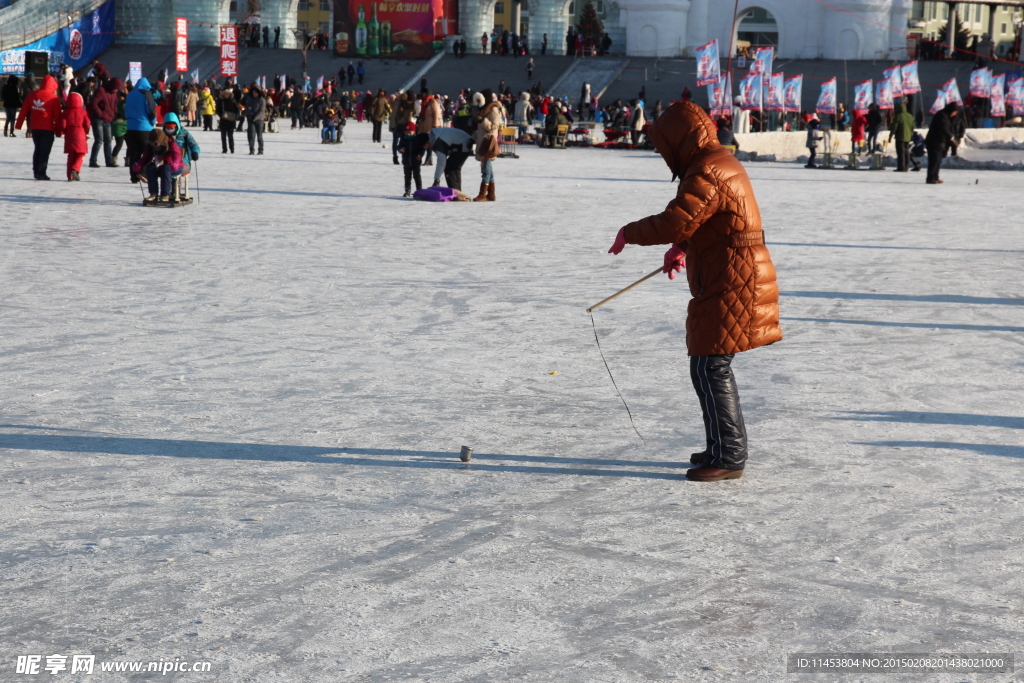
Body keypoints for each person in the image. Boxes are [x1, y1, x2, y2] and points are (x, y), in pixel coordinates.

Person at [607, 102, 782, 482]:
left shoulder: (709, 169)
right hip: (728, 271)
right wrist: (683, 249)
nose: (660, 152)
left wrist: (630, 232)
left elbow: (677, 220)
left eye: (662, 144)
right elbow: (711, 219)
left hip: (734, 276)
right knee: (708, 364)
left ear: (680, 140)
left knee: (710, 364)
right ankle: (720, 444)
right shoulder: (716, 163)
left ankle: (730, 454)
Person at [15, 74, 63, 180]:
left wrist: (18, 125)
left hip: (35, 128)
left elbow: (24, 111)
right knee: (44, 151)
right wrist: (59, 132)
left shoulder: (32, 95)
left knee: (37, 149)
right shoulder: (54, 98)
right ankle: (41, 172)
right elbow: (58, 117)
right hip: (48, 128)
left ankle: (36, 171)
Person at [131, 128, 184, 204]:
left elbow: (177, 155)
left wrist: (175, 163)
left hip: (175, 167)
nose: (156, 147)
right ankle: (153, 194)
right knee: (150, 167)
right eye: (153, 144)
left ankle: (165, 194)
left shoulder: (170, 142)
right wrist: (139, 164)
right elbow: (146, 157)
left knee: (165, 168)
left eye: (157, 144)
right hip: (159, 165)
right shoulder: (150, 145)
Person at [123, 76, 156, 183]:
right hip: (144, 126)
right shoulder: (146, 93)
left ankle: (134, 176)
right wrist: (152, 122)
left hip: (131, 127)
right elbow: (151, 110)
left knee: (134, 153)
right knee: (148, 152)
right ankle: (144, 172)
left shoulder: (130, 94)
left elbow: (126, 110)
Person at [473, 89, 502, 201]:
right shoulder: (484, 110)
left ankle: (482, 194)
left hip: (489, 144)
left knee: (486, 169)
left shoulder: (493, 110)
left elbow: (494, 126)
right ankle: (491, 194)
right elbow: (480, 130)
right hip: (483, 142)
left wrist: (482, 120)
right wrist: (473, 138)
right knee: (489, 169)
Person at [428, 126, 474, 190]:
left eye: (426, 146)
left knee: (450, 168)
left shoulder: (438, 141)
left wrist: (437, 180)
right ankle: (457, 191)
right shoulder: (436, 135)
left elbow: (441, 162)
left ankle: (456, 192)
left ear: (427, 141)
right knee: (453, 168)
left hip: (464, 145)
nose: (427, 148)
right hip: (465, 143)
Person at [87, 77, 119, 168]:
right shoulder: (101, 90)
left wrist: (114, 113)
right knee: (99, 140)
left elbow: (115, 104)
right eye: (115, 88)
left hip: (108, 119)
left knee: (108, 140)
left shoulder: (114, 93)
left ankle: (109, 161)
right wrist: (100, 114)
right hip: (98, 119)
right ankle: (93, 161)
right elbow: (94, 103)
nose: (116, 90)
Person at [925, 101, 958, 184]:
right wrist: (951, 137)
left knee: (938, 161)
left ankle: (935, 177)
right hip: (934, 142)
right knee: (934, 161)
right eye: (954, 112)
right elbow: (944, 128)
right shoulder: (941, 115)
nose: (955, 114)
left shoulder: (946, 116)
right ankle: (930, 178)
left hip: (940, 142)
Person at [61, 92, 90, 181]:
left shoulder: (66, 112)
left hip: (69, 133)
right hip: (80, 133)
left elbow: (63, 124)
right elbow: (87, 123)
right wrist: (86, 131)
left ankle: (70, 175)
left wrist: (65, 131)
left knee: (71, 155)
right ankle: (75, 169)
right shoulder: (83, 111)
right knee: (80, 154)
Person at [398, 121, 427, 197]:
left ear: (414, 131)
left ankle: (419, 191)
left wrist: (420, 155)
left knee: (417, 176)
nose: (408, 134)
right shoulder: (403, 139)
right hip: (406, 161)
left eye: (410, 132)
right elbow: (399, 147)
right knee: (407, 177)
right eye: (407, 132)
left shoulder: (417, 139)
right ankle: (408, 191)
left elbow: (422, 149)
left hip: (416, 162)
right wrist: (401, 149)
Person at [888, 101, 915, 172]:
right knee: (907, 152)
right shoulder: (910, 116)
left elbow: (894, 128)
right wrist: (911, 135)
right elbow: (912, 127)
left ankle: (901, 167)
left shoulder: (898, 116)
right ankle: (906, 167)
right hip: (908, 137)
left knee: (901, 153)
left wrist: (890, 136)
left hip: (900, 137)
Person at [243, 84, 266, 155]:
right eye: (253, 92)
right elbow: (248, 108)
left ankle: (260, 150)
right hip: (251, 119)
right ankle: (251, 150)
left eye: (256, 92)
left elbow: (261, 111)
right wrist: (250, 115)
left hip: (259, 119)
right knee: (251, 136)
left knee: (259, 136)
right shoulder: (249, 99)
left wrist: (255, 117)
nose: (254, 93)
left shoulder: (262, 100)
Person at [217, 88, 240, 153]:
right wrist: (221, 115)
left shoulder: (233, 101)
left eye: (228, 94)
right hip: (223, 120)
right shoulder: (221, 101)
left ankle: (232, 148)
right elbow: (218, 109)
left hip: (231, 121)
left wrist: (235, 116)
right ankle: (224, 149)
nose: (226, 95)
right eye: (225, 94)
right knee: (223, 136)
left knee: (230, 135)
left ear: (230, 95)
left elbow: (237, 110)